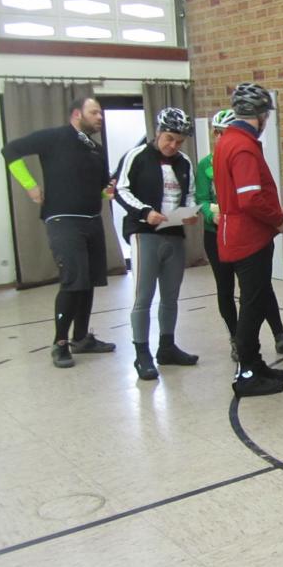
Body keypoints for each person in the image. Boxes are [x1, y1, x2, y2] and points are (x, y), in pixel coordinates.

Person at [1, 97, 117, 368]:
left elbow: (101, 188)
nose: (100, 117)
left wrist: (108, 191)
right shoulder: (54, 137)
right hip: (63, 220)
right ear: (77, 114)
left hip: (92, 221)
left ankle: (81, 338)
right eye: (94, 112)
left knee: (88, 281)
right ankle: (60, 343)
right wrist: (30, 185)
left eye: (101, 113)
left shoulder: (96, 149)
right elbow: (9, 150)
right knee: (73, 280)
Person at [196, 109, 283, 363]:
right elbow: (207, 198)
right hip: (222, 232)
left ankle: (277, 336)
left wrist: (274, 212)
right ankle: (240, 345)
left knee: (257, 290)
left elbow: (254, 193)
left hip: (244, 231)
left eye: (225, 132)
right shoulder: (219, 158)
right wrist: (210, 214)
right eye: (218, 133)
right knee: (229, 290)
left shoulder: (241, 149)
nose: (222, 137)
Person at [213, 82, 283, 397]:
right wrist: (279, 219)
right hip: (249, 237)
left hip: (235, 233)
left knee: (255, 300)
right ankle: (247, 371)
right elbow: (250, 199)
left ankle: (255, 362)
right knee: (251, 304)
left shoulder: (227, 140)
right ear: (261, 115)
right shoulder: (243, 146)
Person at [113, 108, 200, 380]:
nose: (173, 146)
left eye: (179, 141)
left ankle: (167, 347)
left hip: (173, 233)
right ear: (158, 132)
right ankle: (142, 354)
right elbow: (120, 189)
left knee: (171, 296)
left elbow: (190, 193)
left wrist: (190, 212)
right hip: (144, 233)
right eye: (169, 139)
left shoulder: (184, 162)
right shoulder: (137, 156)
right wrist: (145, 212)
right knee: (143, 296)